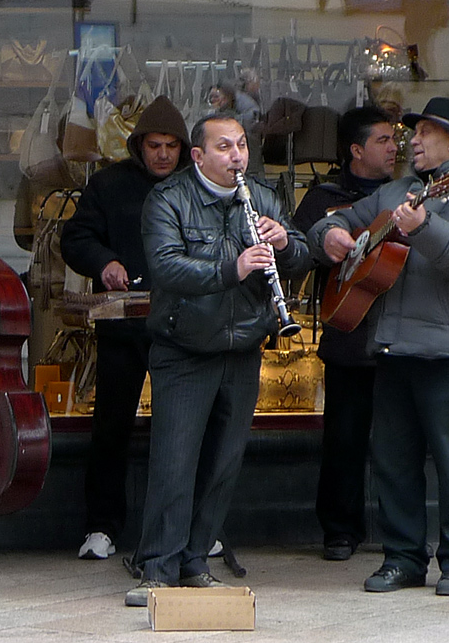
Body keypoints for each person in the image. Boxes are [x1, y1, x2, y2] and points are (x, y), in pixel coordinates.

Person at [310, 97, 449, 597]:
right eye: (411, 132)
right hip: (393, 346)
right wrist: (330, 234)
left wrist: (424, 227)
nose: (411, 140)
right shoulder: (396, 191)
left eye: (424, 132)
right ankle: (403, 559)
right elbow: (329, 220)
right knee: (393, 462)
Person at [125, 113, 312, 606]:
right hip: (184, 349)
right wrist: (233, 267)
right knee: (174, 462)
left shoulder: (264, 198)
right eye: (225, 147)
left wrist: (285, 243)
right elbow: (166, 266)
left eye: (243, 146)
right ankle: (157, 569)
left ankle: (193, 562)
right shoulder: (168, 199)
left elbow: (303, 257)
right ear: (199, 156)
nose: (237, 157)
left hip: (243, 348)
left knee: (222, 464)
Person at [59, 95, 190, 561]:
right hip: (123, 328)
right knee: (111, 427)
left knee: (183, 432)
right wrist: (106, 261)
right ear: (139, 146)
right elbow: (74, 237)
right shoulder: (110, 184)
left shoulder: (196, 186)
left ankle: (191, 529)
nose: (162, 155)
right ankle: (102, 526)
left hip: (182, 329)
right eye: (154, 145)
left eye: (171, 146)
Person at [292, 106, 397, 562]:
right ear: (356, 150)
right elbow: (294, 256)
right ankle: (339, 529)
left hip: (398, 337)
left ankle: (401, 531)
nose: (394, 147)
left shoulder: (406, 196)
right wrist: (323, 242)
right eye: (382, 141)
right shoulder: (323, 199)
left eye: (395, 140)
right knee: (344, 440)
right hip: (348, 335)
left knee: (400, 444)